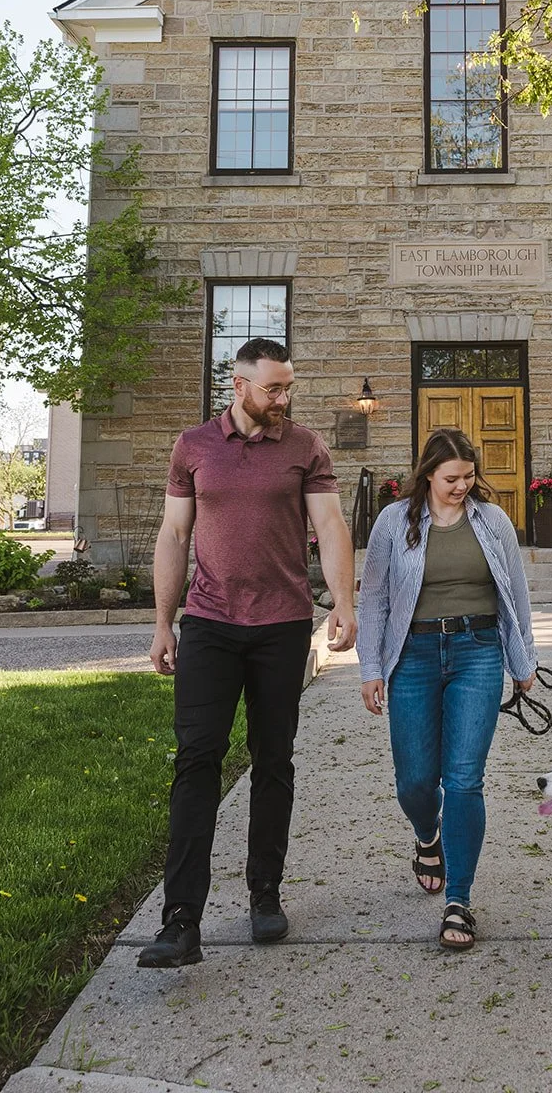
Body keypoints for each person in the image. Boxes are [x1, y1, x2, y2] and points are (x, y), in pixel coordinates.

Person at [137, 337, 356, 968]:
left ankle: (265, 893)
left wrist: (343, 602)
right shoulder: (194, 447)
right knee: (196, 760)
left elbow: (331, 526)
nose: (284, 399)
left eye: (289, 387)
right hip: (208, 624)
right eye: (273, 389)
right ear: (239, 385)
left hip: (282, 626)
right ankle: (181, 920)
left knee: (273, 760)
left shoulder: (306, 447)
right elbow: (175, 533)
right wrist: (162, 624)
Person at [358, 428, 536, 951]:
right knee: (415, 781)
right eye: (452, 478)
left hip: (476, 651)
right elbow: (373, 599)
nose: (462, 486)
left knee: (463, 779)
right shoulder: (395, 521)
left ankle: (458, 900)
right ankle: (427, 834)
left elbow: (516, 592)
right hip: (411, 656)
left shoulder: (492, 520)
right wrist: (371, 667)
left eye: (469, 477)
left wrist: (523, 660)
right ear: (429, 475)